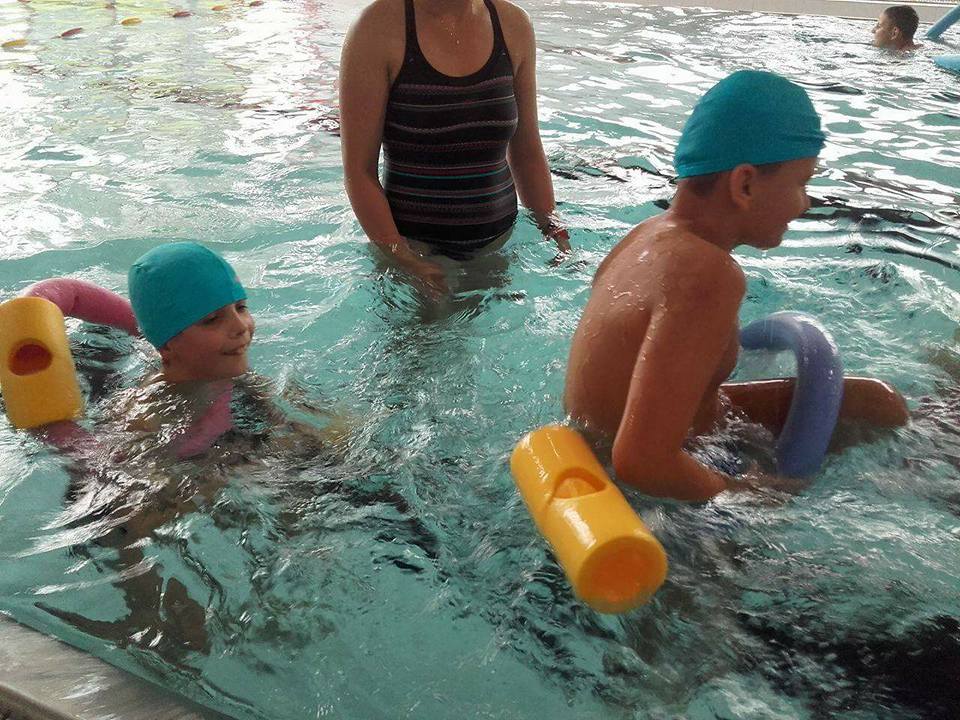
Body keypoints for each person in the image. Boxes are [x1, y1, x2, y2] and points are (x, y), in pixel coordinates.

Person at [563, 70, 908, 503]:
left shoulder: (645, 235)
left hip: (616, 450)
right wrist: (755, 493)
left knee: (875, 404)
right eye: (801, 183)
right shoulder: (707, 274)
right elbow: (641, 462)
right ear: (744, 184)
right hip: (639, 498)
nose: (805, 203)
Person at [339, 0, 570, 299]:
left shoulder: (514, 25)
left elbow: (527, 150)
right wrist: (404, 258)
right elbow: (359, 172)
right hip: (415, 249)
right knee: (431, 327)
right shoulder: (375, 29)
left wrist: (551, 225)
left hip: (498, 246)